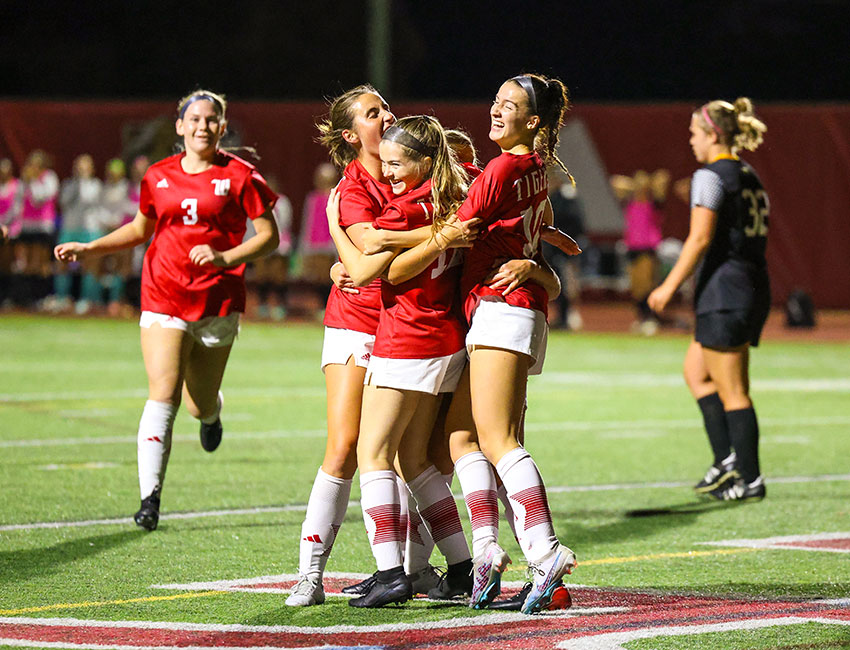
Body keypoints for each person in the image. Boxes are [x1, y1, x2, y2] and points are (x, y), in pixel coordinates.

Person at [55, 89, 279, 530]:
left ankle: (212, 415)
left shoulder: (241, 176)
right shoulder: (157, 175)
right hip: (164, 292)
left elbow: (268, 237)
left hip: (218, 299)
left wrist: (224, 258)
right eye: (194, 118)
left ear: (222, 126)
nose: (202, 126)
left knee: (198, 404)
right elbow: (141, 228)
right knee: (164, 391)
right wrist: (92, 248)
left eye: (211, 120)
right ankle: (149, 500)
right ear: (180, 126)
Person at [325, 115, 484, 608]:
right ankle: (461, 567)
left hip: (407, 338)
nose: (388, 172)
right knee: (415, 461)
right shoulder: (456, 196)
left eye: (397, 163)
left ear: (424, 161)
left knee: (374, 455)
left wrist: (335, 226)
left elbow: (363, 264)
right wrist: (439, 235)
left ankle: (390, 573)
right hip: (448, 338)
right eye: (386, 163)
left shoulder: (404, 209)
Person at [437, 73, 579, 614]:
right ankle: (489, 553)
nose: (496, 110)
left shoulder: (501, 167)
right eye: (495, 100)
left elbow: (455, 227)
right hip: (515, 311)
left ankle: (545, 555)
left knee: (497, 441)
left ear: (533, 120)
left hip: (502, 309)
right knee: (463, 437)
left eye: (510, 105)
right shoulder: (534, 168)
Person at [285, 84, 396, 608]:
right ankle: (310, 573)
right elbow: (372, 252)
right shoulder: (352, 189)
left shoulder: (412, 168)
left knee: (410, 452)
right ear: (352, 135)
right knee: (345, 446)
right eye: (374, 114)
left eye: (386, 107)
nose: (388, 116)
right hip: (357, 323)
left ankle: (411, 570)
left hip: (409, 326)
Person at [648, 98, 769, 502]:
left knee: (733, 390)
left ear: (713, 134)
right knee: (696, 373)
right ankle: (727, 460)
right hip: (746, 285)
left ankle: (749, 478)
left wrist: (667, 287)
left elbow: (700, 238)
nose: (690, 140)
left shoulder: (710, 176)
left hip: (726, 290)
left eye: (695, 133)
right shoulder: (749, 174)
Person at [611, 168, 670, 335]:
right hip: (632, 249)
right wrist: (635, 186)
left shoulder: (654, 203)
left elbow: (663, 178)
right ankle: (642, 318)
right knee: (637, 288)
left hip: (648, 249)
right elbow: (615, 181)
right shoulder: (630, 203)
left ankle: (650, 318)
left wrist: (647, 184)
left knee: (647, 285)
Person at [50, 154, 104, 314]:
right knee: (62, 264)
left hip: (89, 229)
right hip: (69, 228)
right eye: (79, 166)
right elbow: (64, 202)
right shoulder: (68, 185)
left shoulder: (96, 185)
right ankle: (62, 298)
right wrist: (78, 183)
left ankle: (88, 299)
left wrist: (83, 183)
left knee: (89, 266)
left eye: (85, 166)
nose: (81, 169)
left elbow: (89, 200)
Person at [245, 174, 293, 320]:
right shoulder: (255, 201)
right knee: (262, 276)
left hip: (280, 246)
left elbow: (286, 223)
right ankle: (263, 305)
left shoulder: (282, 202)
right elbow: (251, 225)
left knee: (278, 277)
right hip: (261, 244)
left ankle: (280, 306)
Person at [17, 150, 59, 307]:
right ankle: (27, 297)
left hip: (43, 225)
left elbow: (39, 198)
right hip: (27, 225)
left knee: (41, 263)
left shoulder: (49, 178)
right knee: (27, 264)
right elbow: (21, 199)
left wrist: (33, 181)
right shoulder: (26, 180)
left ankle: (43, 296)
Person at [297, 162, 339, 318]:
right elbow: (307, 221)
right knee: (317, 276)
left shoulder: (336, 196)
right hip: (314, 244)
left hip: (330, 244)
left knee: (329, 275)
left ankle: (329, 305)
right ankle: (322, 306)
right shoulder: (312, 198)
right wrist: (305, 245)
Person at [0, 158, 22, 307]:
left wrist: (3, 223)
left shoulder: (16, 186)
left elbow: (16, 209)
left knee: (8, 263)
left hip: (11, 230)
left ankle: (9, 296)